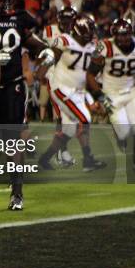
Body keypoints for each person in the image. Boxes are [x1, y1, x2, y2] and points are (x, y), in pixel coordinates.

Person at [0, 0, 55, 211]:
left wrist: (45, 52)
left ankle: (17, 191)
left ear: (6, 2)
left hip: (12, 87)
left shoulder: (17, 19)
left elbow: (35, 44)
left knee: (12, 140)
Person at [38, 13, 107, 172]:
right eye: (86, 34)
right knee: (84, 118)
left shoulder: (91, 46)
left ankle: (44, 158)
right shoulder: (65, 40)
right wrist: (41, 70)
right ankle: (88, 160)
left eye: (91, 34)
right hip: (61, 87)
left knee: (68, 130)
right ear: (76, 31)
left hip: (77, 90)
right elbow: (51, 56)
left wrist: (99, 60)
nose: (89, 37)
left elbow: (93, 69)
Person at [86, 18, 135, 175]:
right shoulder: (105, 47)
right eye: (119, 35)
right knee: (123, 134)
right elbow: (90, 74)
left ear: (131, 33)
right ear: (113, 35)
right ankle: (119, 135)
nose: (122, 38)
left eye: (125, 34)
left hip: (132, 92)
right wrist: (99, 95)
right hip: (112, 94)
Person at [39, 7, 77, 166]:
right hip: (54, 77)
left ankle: (61, 152)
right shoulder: (49, 30)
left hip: (70, 79)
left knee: (68, 119)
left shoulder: (78, 33)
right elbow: (43, 52)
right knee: (64, 118)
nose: (67, 23)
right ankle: (59, 154)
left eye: (70, 20)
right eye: (65, 20)